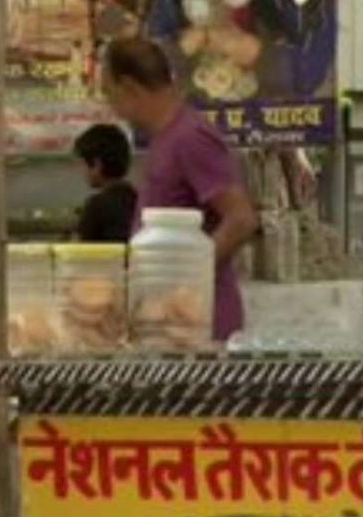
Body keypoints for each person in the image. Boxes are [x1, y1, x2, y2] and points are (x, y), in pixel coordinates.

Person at [101, 37, 258, 341]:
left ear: (130, 87)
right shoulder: (164, 139)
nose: (110, 106)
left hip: (197, 324)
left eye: (109, 93)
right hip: (167, 325)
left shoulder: (191, 137)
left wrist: (186, 280)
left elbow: (240, 219)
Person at [72, 123, 138, 242]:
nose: (82, 171)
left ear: (97, 165)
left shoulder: (96, 206)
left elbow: (79, 250)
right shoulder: (138, 199)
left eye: (83, 164)